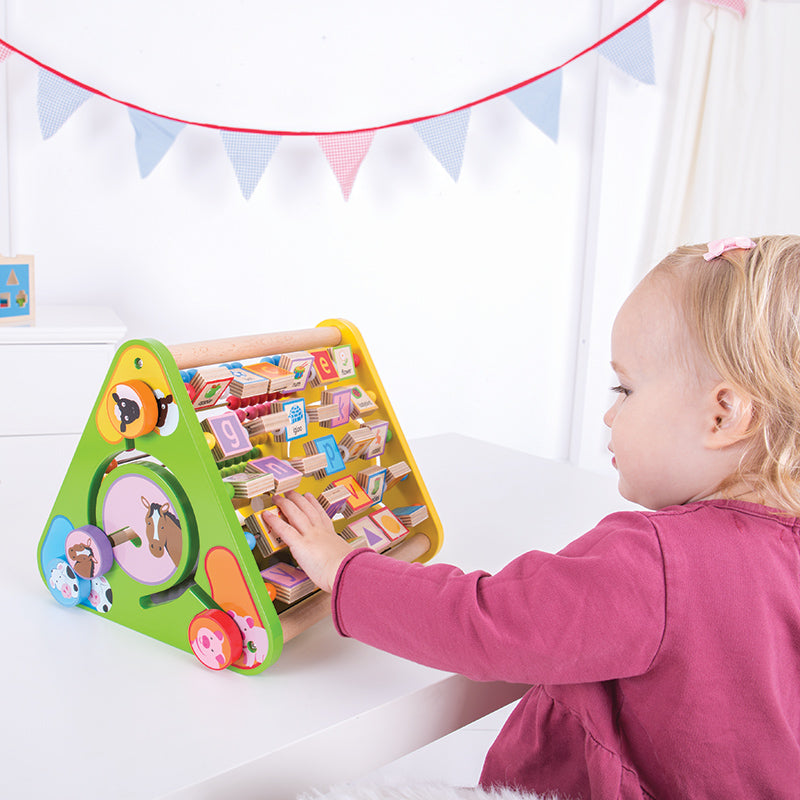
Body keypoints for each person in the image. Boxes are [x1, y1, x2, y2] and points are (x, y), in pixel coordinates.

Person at [265, 234, 800, 799]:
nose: (609, 412)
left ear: (724, 414)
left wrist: (344, 569)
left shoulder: (658, 561)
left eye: (626, 387)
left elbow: (483, 622)